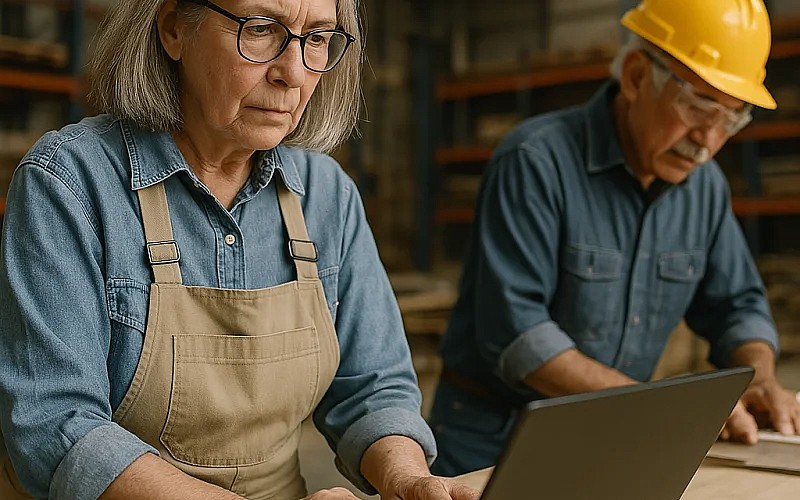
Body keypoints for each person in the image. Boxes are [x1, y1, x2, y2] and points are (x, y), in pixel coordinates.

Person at [0, 1, 480, 499]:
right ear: (172, 30)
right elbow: (57, 425)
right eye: (261, 30)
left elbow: (374, 388)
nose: (292, 73)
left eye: (316, 38)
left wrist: (408, 479)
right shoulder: (70, 183)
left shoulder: (326, 195)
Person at [429, 0, 800, 477]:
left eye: (731, 119)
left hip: (616, 432)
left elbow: (739, 306)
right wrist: (658, 410)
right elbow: (519, 338)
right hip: (493, 439)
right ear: (636, 76)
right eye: (697, 108)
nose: (708, 141)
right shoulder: (535, 161)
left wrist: (762, 378)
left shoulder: (704, 187)